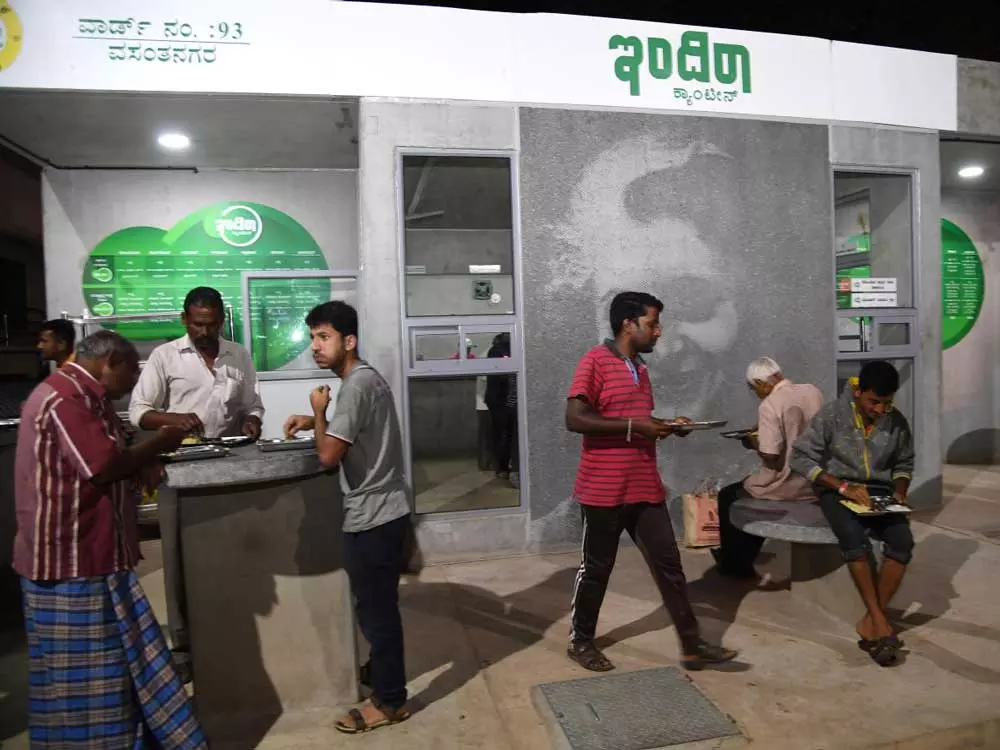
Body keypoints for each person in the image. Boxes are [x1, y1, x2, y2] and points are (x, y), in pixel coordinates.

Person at [13, 330, 206, 748]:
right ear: (109, 363)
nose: (135, 381)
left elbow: (111, 452)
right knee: (91, 683)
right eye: (131, 371)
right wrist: (160, 442)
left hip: (97, 556)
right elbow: (102, 468)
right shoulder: (66, 398)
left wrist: (141, 462)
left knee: (125, 666)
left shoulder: (89, 396)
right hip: (70, 564)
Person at [564, 291, 738, 673]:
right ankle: (581, 641)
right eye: (653, 324)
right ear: (629, 324)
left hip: (643, 485)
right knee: (596, 568)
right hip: (603, 490)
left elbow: (636, 420)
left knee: (670, 567)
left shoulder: (640, 369)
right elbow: (575, 418)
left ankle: (692, 646)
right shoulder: (594, 361)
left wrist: (665, 425)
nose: (659, 332)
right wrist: (636, 426)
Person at [283, 301, 413, 734]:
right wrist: (315, 419)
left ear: (349, 340)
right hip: (387, 511)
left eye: (325, 337)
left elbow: (327, 457)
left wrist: (319, 412)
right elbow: (355, 429)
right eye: (312, 338)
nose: (315, 346)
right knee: (379, 608)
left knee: (377, 614)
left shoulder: (355, 385)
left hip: (374, 516)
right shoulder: (364, 379)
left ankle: (390, 701)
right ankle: (382, 676)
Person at [128, 285, 264, 680]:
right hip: (180, 470)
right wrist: (173, 419)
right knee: (179, 560)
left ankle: (230, 631)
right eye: (197, 324)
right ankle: (185, 647)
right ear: (184, 320)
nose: (204, 332)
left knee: (229, 552)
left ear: (222, 321)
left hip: (228, 468)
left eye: (212, 325)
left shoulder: (238, 355)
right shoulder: (166, 356)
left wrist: (251, 419)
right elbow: (139, 411)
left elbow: (252, 404)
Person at [790, 361, 914, 667]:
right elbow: (800, 457)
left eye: (887, 403)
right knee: (853, 538)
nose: (880, 410)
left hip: (880, 494)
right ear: (858, 392)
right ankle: (879, 622)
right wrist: (843, 487)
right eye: (874, 402)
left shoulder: (896, 421)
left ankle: (872, 621)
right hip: (837, 490)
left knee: (903, 542)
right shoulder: (832, 414)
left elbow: (904, 463)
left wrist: (900, 491)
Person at [711, 357, 823, 580]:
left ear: (761, 383)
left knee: (729, 496)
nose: (756, 394)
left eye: (754, 389)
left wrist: (752, 442)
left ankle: (734, 564)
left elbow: (771, 455)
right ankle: (739, 558)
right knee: (746, 497)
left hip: (787, 484)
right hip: (816, 480)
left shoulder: (770, 404)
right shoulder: (812, 391)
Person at [485, 332, 518, 483]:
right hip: (502, 402)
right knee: (504, 435)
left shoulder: (500, 350)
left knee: (506, 435)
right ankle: (503, 467)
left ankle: (504, 467)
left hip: (505, 401)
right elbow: (500, 374)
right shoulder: (498, 351)